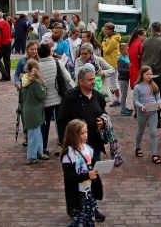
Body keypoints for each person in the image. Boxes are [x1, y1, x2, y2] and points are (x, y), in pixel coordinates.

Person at [57, 65, 109, 225]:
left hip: (93, 146)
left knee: (92, 177)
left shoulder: (98, 96)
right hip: (76, 148)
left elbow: (103, 113)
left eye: (94, 79)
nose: (94, 82)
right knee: (76, 179)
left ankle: (92, 208)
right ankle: (75, 208)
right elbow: (61, 120)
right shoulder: (71, 98)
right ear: (80, 81)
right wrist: (67, 143)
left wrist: (102, 121)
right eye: (90, 80)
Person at [61, 119, 104, 226]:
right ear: (73, 135)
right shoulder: (68, 154)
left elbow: (90, 166)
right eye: (82, 133)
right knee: (80, 222)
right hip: (77, 193)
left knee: (90, 220)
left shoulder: (88, 149)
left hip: (89, 191)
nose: (85, 135)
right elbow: (69, 176)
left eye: (86, 132)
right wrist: (87, 175)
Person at [38, 44, 71, 157]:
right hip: (59, 97)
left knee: (44, 124)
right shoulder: (57, 63)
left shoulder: (37, 66)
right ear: (49, 53)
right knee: (61, 123)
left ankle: (42, 148)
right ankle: (64, 147)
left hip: (44, 99)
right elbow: (67, 78)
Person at [142, 22, 161, 128]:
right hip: (159, 72)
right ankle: (156, 119)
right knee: (158, 97)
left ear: (152, 30)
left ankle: (150, 118)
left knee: (149, 97)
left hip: (146, 72)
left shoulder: (146, 40)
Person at [133, 66, 161, 164]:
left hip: (153, 112)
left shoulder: (154, 85)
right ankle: (138, 147)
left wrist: (159, 104)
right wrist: (141, 106)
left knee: (153, 132)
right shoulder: (137, 87)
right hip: (142, 112)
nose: (149, 76)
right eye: (147, 74)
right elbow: (135, 101)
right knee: (141, 131)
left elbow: (158, 98)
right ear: (142, 75)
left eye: (150, 74)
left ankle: (154, 153)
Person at [20, 58, 47, 163]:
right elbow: (42, 95)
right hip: (35, 111)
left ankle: (40, 152)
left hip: (27, 109)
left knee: (37, 133)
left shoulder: (24, 80)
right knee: (34, 135)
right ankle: (31, 156)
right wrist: (44, 85)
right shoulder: (35, 82)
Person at [101, 23, 122, 105]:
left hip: (113, 62)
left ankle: (118, 99)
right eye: (104, 28)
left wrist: (103, 43)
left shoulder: (113, 39)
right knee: (107, 80)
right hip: (108, 61)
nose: (104, 30)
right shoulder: (108, 37)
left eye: (106, 29)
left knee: (113, 81)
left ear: (111, 30)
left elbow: (106, 50)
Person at [0, 13, 12, 82]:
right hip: (8, 42)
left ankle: (4, 74)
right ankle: (8, 76)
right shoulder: (6, 23)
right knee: (7, 60)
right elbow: (10, 33)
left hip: (2, 44)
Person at [116, 43, 133, 116]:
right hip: (123, 79)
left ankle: (124, 107)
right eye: (126, 49)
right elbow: (120, 69)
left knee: (125, 93)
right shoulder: (121, 59)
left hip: (126, 78)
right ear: (121, 50)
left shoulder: (126, 57)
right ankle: (123, 109)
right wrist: (129, 71)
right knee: (124, 94)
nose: (127, 50)